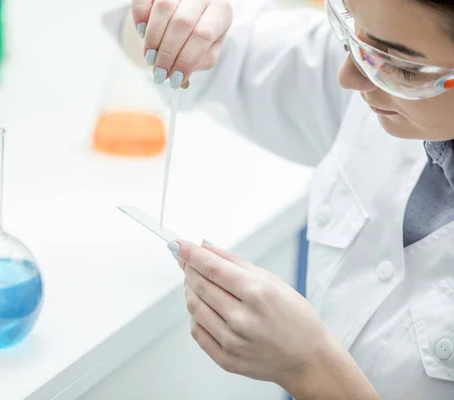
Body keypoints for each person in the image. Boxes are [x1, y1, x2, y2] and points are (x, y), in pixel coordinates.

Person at [110, 0, 454, 398]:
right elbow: (215, 56)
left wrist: (311, 367)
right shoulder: (388, 63)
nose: (347, 76)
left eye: (400, 68)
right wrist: (178, 22)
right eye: (350, 30)